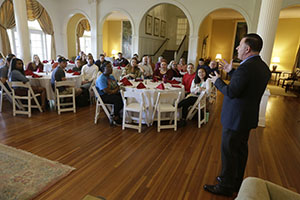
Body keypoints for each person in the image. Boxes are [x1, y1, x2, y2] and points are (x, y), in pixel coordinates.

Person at [203, 33, 271, 197]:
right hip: (246, 118)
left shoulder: (246, 68)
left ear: (247, 49)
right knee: (240, 151)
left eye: (239, 45)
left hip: (235, 119)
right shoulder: (262, 67)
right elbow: (245, 85)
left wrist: (217, 80)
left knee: (229, 152)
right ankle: (235, 181)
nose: (237, 48)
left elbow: (232, 92)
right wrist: (231, 71)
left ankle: (225, 186)